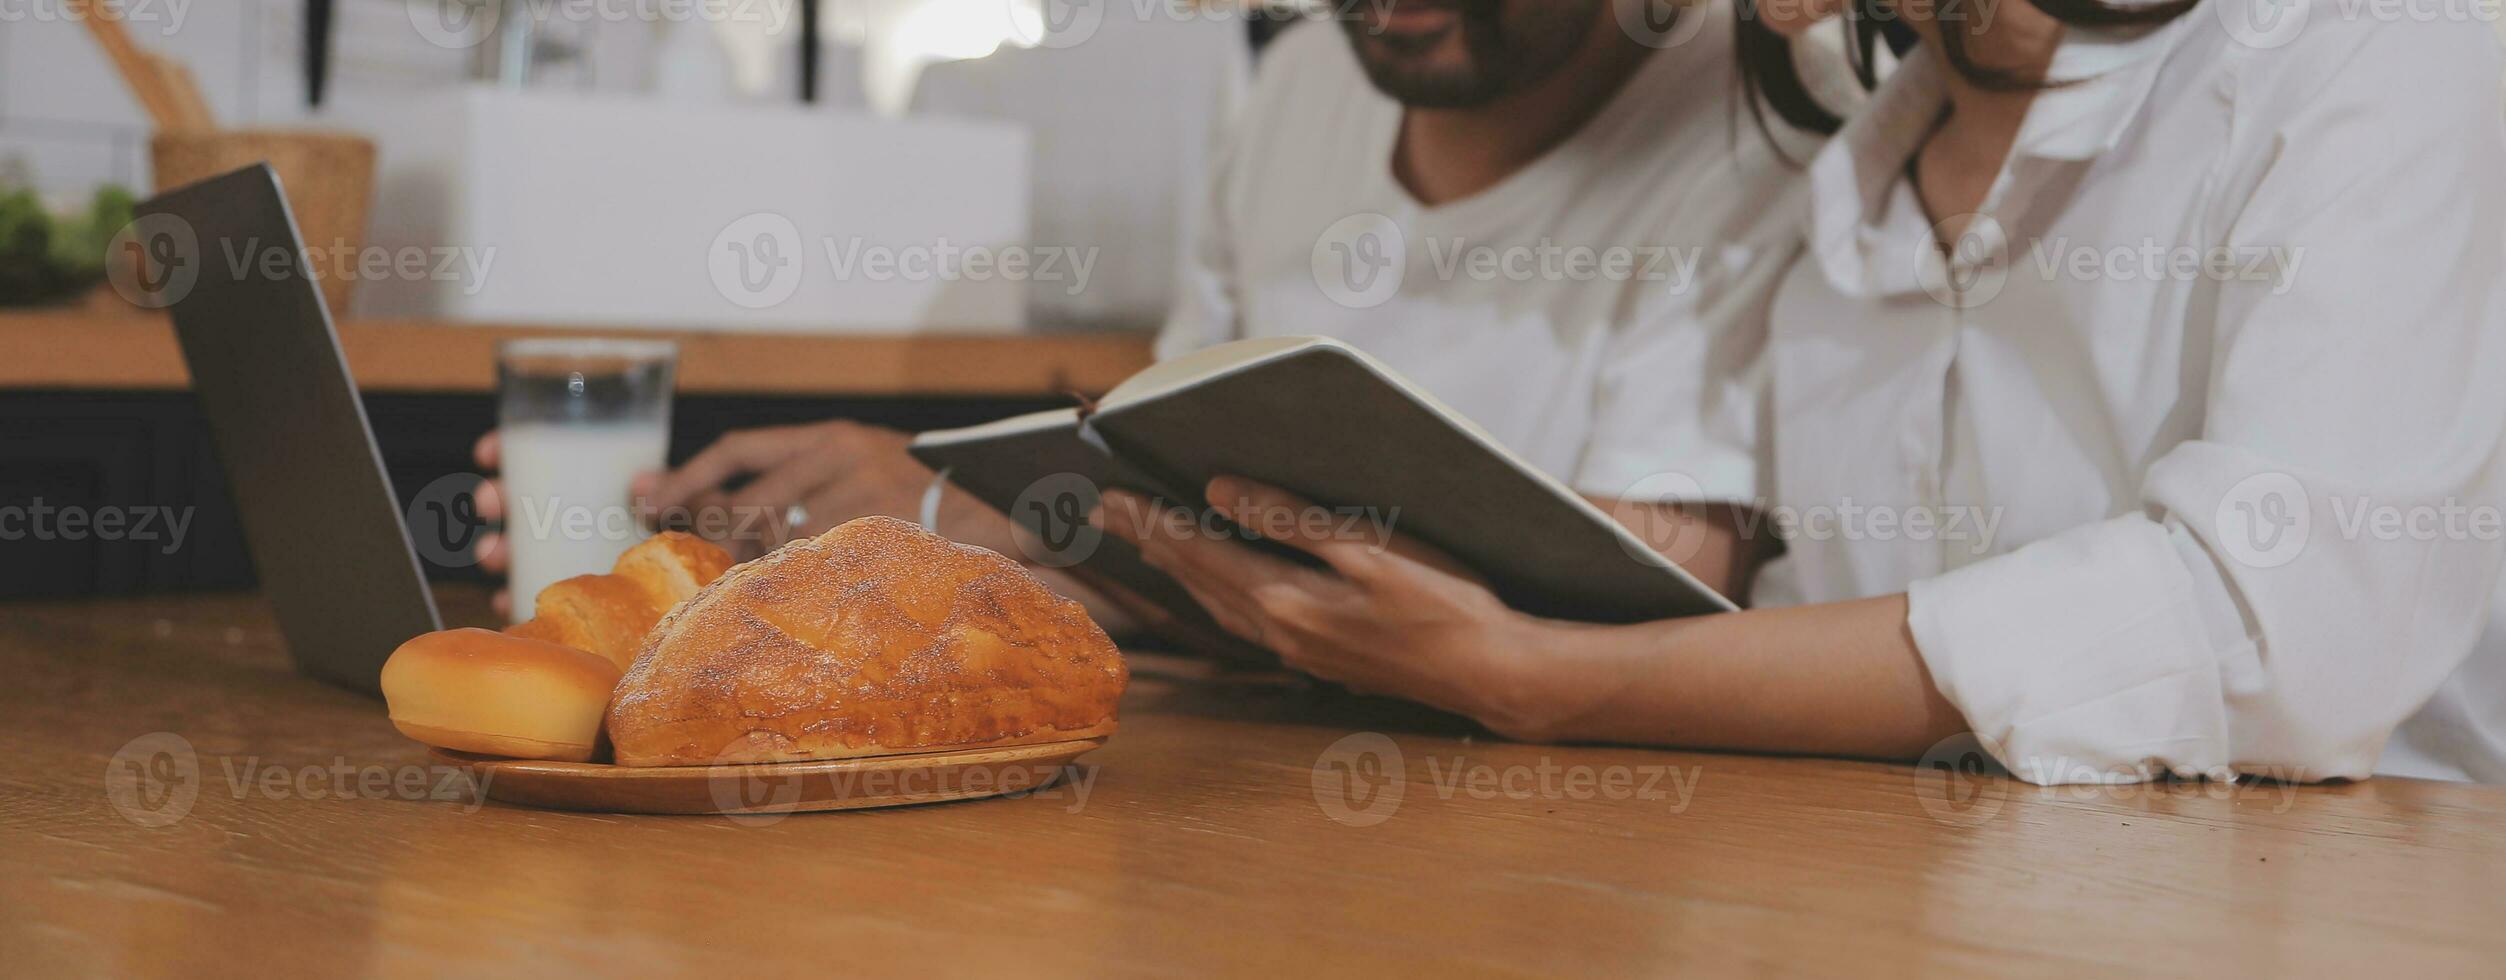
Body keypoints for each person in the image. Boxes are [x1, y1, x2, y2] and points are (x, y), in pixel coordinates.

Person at [1094, 0, 2506, 783]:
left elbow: (2270, 643)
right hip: (1875, 889)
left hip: (2349, 890)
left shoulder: (2377, 48)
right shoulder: (1829, 153)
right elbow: (1675, 547)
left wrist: (1550, 682)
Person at [472, 0, 1810, 617]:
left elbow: (1655, 595)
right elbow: (1174, 503)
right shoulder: (1299, 84)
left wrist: (951, 516)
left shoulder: (1758, 118)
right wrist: (889, 548)